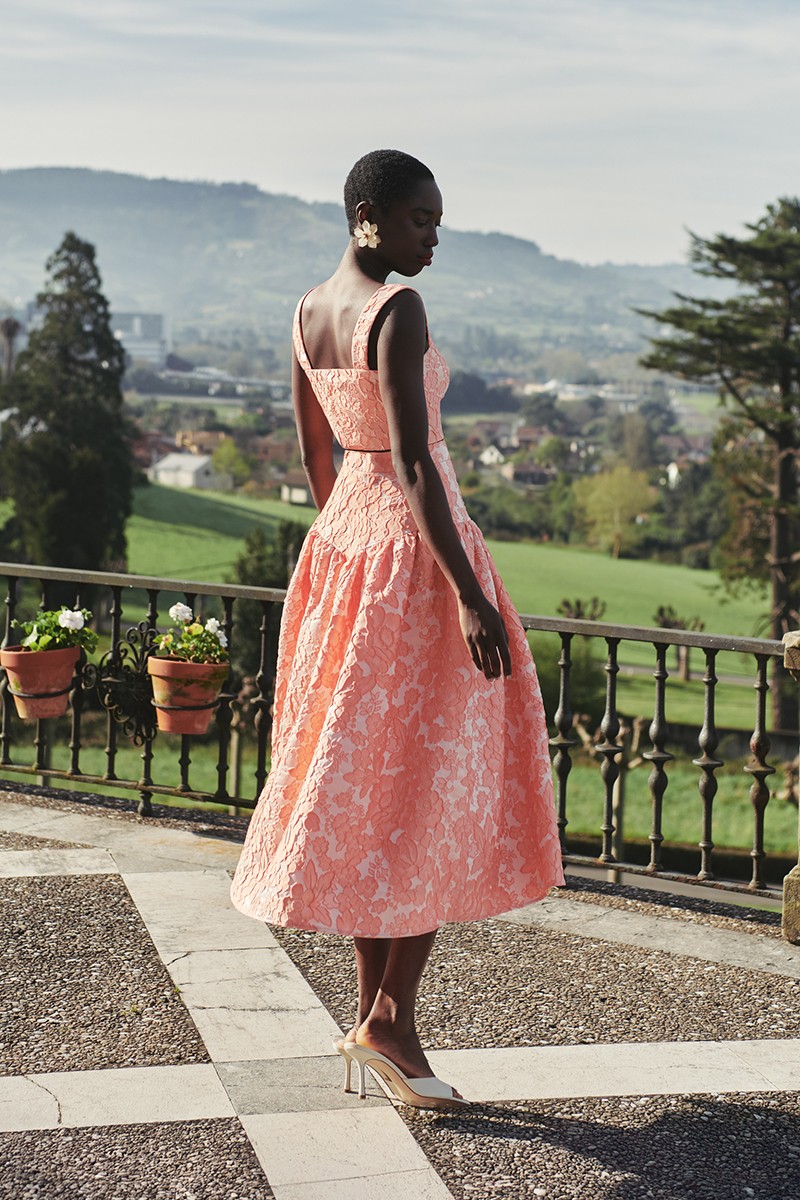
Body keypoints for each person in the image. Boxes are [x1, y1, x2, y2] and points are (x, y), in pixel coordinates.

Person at [230, 149, 564, 1109]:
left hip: (344, 553)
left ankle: (383, 1019)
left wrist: (354, 543)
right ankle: (390, 1025)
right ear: (368, 217)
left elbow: (316, 454)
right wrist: (466, 592)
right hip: (419, 560)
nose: (433, 237)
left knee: (370, 782)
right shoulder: (397, 310)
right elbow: (414, 460)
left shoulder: (303, 313)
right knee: (428, 787)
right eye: (421, 220)